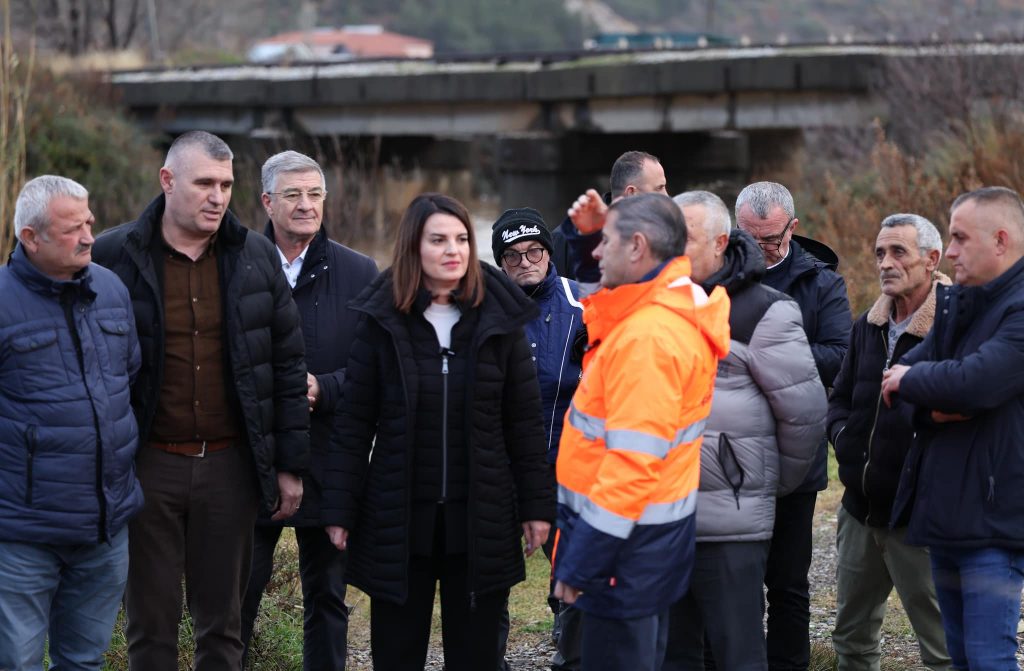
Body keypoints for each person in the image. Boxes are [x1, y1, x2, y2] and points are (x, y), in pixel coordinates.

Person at [92, 131, 310, 670]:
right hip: (148, 468)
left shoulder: (255, 256)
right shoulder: (113, 256)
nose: (218, 196)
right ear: (168, 181)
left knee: (223, 628)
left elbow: (286, 367)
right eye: (205, 183)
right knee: (151, 626)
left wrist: (289, 466)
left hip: (229, 468)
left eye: (227, 184)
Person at [322, 193, 555, 671]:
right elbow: (354, 422)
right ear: (414, 248)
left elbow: (524, 424)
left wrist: (536, 507)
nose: (454, 250)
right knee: (397, 654)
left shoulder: (500, 317)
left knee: (476, 656)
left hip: (481, 520)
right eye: (439, 240)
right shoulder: (382, 319)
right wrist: (340, 508)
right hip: (399, 520)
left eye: (462, 239)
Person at [553, 193, 731, 671]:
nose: (595, 254)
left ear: (636, 248)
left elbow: (631, 465)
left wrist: (581, 562)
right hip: (643, 545)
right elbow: (606, 306)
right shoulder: (668, 303)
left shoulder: (648, 338)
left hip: (619, 553)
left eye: (605, 242)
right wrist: (591, 232)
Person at [661, 191, 825, 671]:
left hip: (732, 523)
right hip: (662, 515)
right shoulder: (654, 307)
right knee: (673, 654)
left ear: (718, 241)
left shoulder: (763, 310)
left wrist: (759, 485)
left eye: (684, 236)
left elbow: (806, 415)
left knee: (737, 654)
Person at [240, 150, 379, 670]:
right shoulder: (238, 264)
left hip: (331, 458)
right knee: (238, 599)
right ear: (267, 201)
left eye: (315, 194)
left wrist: (325, 387)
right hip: (252, 458)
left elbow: (372, 371)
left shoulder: (360, 271)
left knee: (327, 598)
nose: (305, 205)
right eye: (293, 195)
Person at [0, 176, 144, 671]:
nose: (88, 236)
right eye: (71, 229)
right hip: (21, 534)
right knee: (15, 663)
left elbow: (128, 378)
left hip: (104, 528)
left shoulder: (110, 289)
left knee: (83, 662)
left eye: (89, 222)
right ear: (30, 238)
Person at [882, 187, 1024, 670]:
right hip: (946, 517)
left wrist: (922, 385)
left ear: (1001, 241)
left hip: (993, 522)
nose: (952, 251)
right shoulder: (959, 305)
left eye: (961, 238)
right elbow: (894, 390)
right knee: (959, 661)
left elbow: (975, 383)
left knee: (988, 661)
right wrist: (931, 402)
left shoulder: (1020, 309)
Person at [735, 180, 852, 671]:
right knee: (731, 582)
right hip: (731, 454)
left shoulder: (821, 281)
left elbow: (841, 358)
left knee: (788, 584)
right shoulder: (713, 277)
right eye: (749, 240)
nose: (761, 251)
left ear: (793, 228)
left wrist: (763, 355)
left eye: (772, 240)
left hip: (796, 450)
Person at [828, 213, 952, 671]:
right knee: (852, 639)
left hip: (921, 518)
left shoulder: (953, 325)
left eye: (899, 251)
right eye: (880, 252)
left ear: (932, 259)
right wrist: (842, 438)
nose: (885, 262)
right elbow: (839, 398)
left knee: (942, 647)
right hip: (860, 511)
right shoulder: (868, 324)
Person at [492, 206, 585, 671]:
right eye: (512, 256)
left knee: (576, 578)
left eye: (534, 252)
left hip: (567, 468)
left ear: (550, 254)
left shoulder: (581, 302)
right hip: (496, 472)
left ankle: (572, 659)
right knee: (487, 582)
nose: (525, 262)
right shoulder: (481, 307)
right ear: (499, 262)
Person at [552, 150, 668, 294]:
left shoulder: (663, 234)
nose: (667, 196)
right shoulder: (567, 238)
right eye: (659, 188)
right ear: (631, 192)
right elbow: (556, 300)